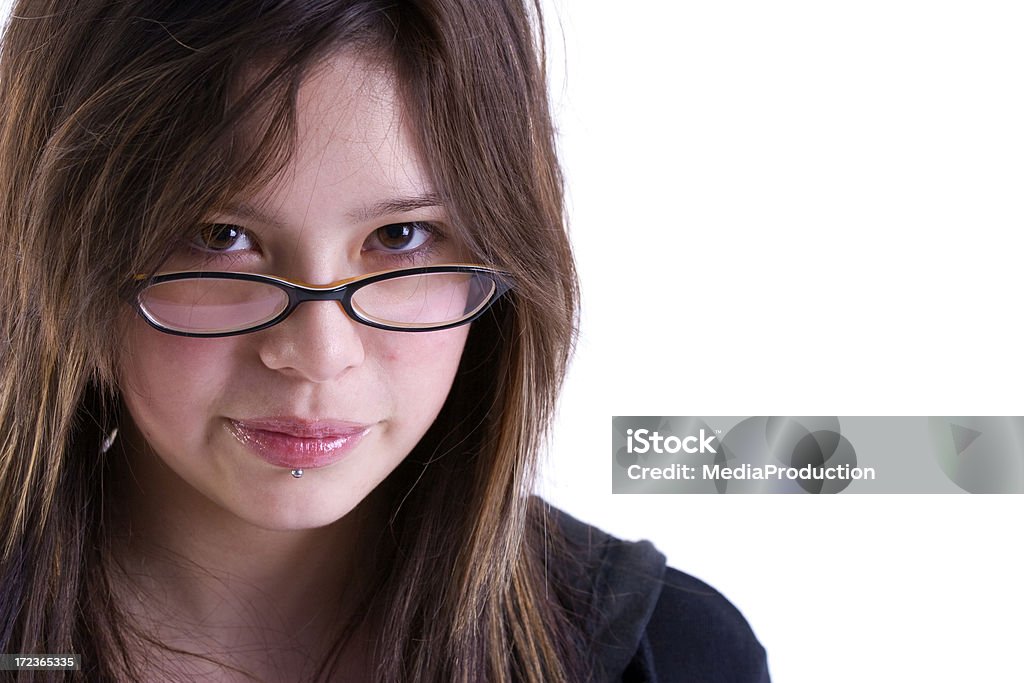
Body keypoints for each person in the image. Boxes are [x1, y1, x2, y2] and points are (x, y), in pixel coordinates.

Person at [0, 1, 769, 681]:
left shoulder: (673, 654)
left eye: (400, 236)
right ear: (61, 247)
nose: (318, 352)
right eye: (218, 235)